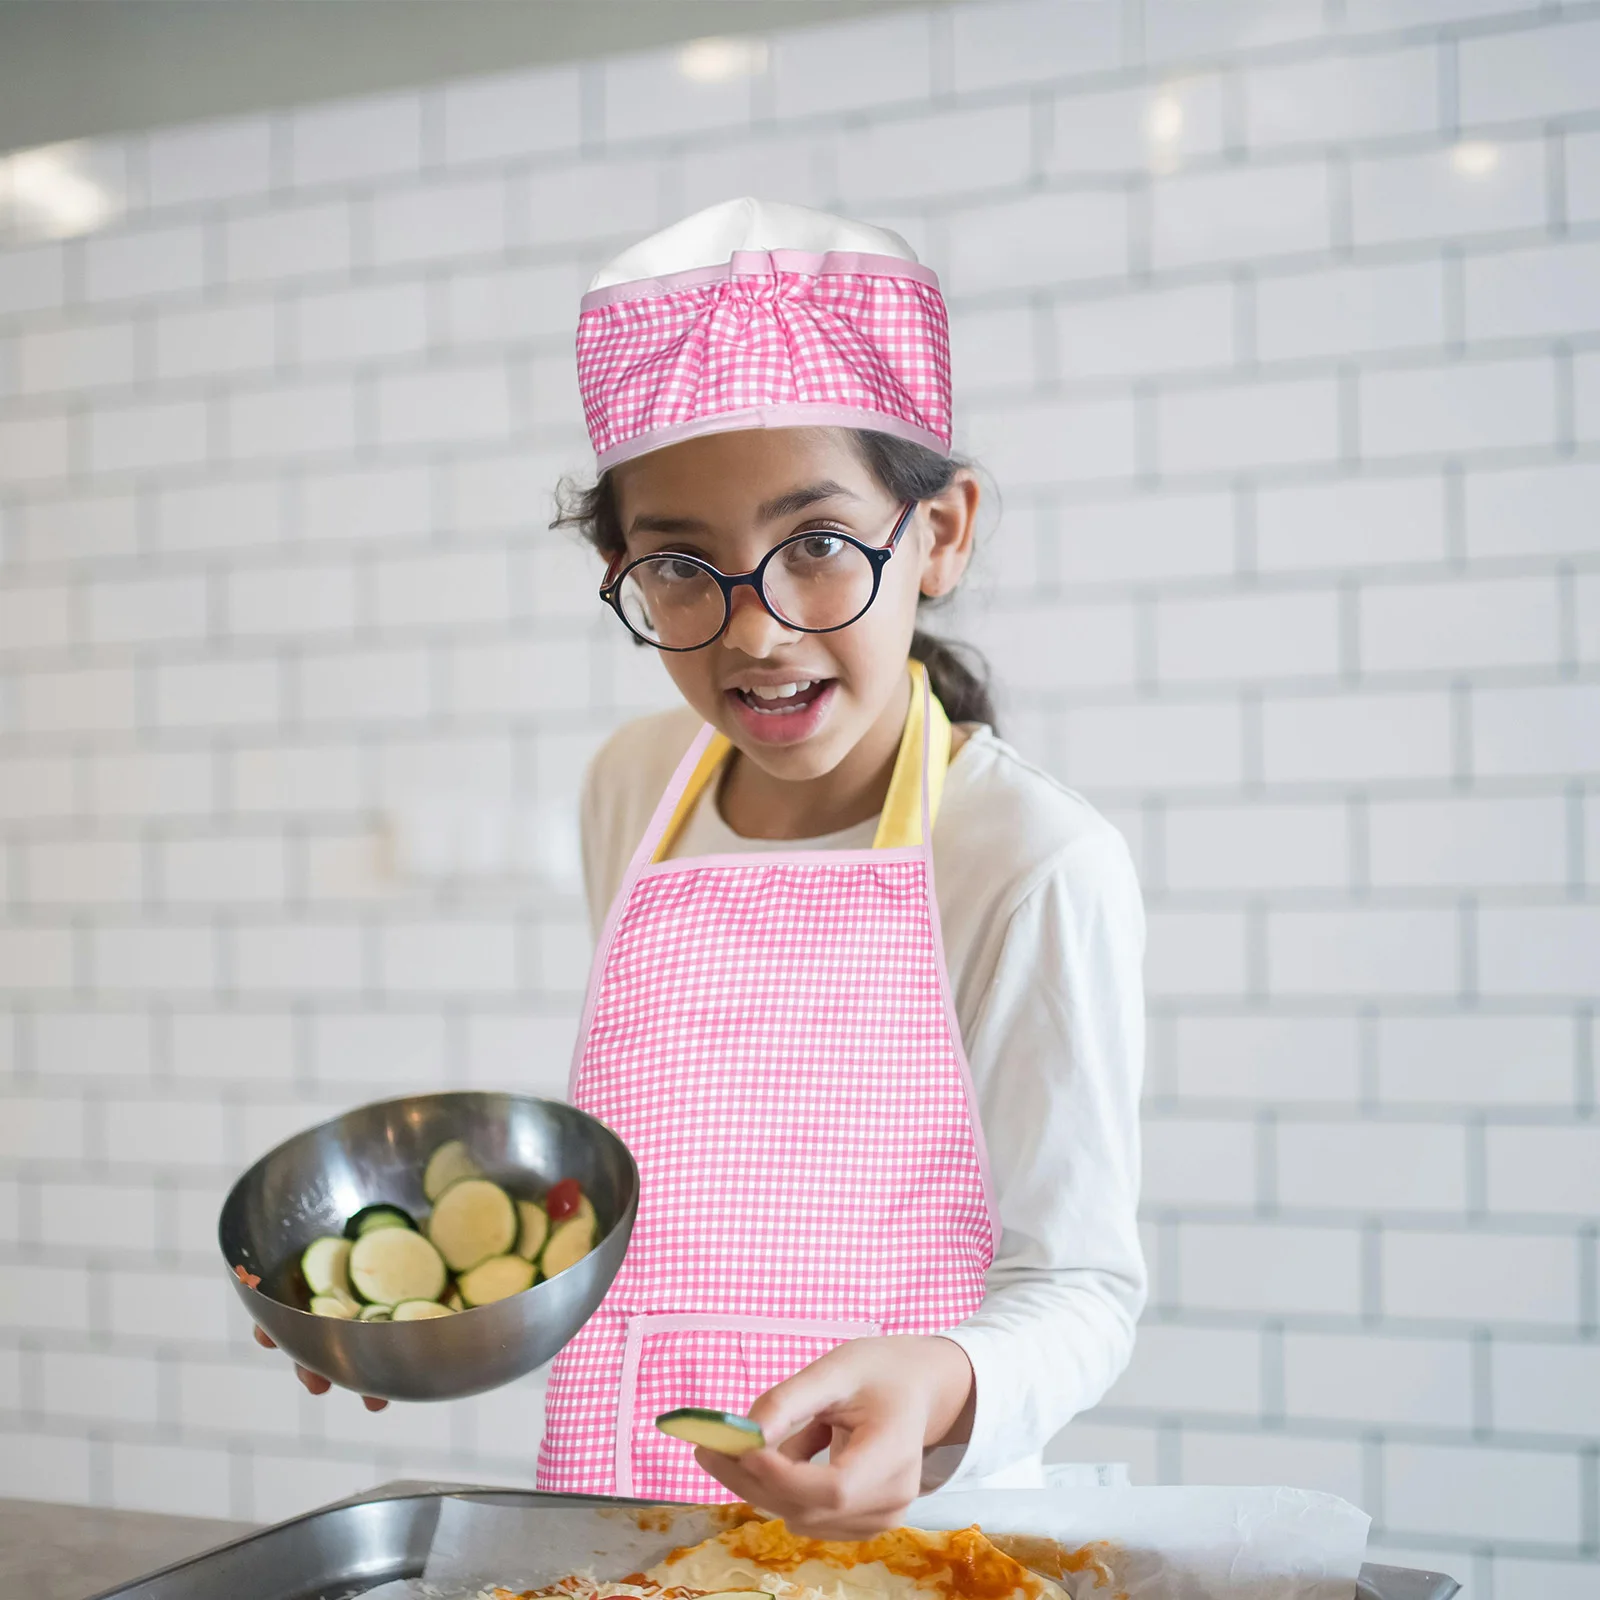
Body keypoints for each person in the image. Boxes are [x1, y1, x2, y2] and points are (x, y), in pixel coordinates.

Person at [258, 198, 1146, 1538]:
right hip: (614, 1517)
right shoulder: (633, 789)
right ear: (620, 567)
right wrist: (435, 1308)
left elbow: (1080, 1288)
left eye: (818, 546)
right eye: (682, 565)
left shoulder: (1027, 858)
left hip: (902, 1539)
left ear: (942, 532)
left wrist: (941, 1382)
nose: (756, 630)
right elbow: (670, 1214)